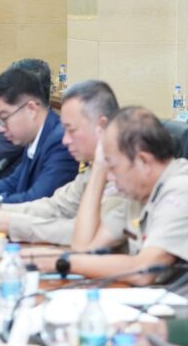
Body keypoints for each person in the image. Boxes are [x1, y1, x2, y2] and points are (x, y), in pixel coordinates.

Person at [30, 107, 188, 286]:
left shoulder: (180, 190)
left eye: (113, 167)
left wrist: (61, 262)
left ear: (143, 161)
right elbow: (84, 248)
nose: (110, 178)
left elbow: (144, 271)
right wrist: (99, 168)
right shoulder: (138, 192)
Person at [0, 80, 124, 244]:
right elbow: (56, 207)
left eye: (71, 130)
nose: (65, 140)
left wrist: (11, 224)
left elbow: (87, 234)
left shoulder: (124, 172)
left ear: (102, 126)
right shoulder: (93, 166)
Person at [0, 67, 79, 204]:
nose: (1, 129)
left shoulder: (60, 142)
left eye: (4, 118)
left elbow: (36, 199)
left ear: (31, 109)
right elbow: (14, 182)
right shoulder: (35, 135)